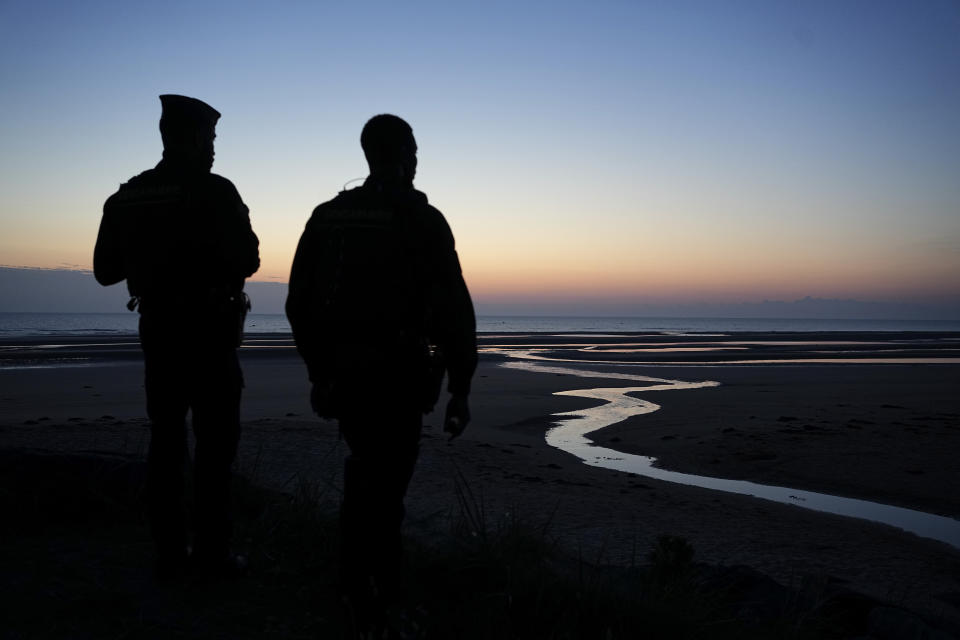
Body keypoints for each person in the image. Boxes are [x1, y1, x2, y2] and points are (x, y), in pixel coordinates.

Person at [286, 114, 477, 618]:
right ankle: (379, 603)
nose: (417, 160)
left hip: (345, 374)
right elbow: (455, 308)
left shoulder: (328, 216)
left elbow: (298, 304)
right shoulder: (420, 218)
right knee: (386, 491)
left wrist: (318, 370)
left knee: (366, 477)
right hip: (395, 376)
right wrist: (460, 387)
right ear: (405, 153)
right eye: (413, 149)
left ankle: (355, 591)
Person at [94, 95, 260, 579]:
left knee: (166, 442)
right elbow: (248, 260)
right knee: (215, 447)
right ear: (190, 137)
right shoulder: (216, 190)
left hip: (160, 330)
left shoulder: (128, 195)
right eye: (209, 138)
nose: (212, 148)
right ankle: (211, 555)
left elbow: (106, 271)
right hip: (209, 333)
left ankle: (169, 555)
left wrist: (151, 260)